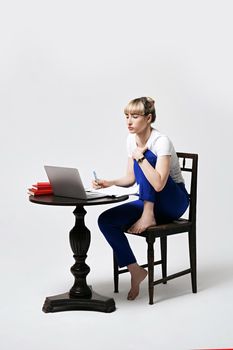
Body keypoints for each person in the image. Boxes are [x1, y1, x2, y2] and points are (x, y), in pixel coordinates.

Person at [92, 97, 190, 301]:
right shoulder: (131, 139)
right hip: (150, 200)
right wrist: (109, 182)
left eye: (134, 116)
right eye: (126, 116)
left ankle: (148, 214)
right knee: (106, 220)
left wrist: (141, 157)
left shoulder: (161, 141)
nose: (129, 121)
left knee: (149, 158)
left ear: (148, 118)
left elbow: (159, 184)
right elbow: (131, 178)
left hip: (173, 201)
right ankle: (135, 269)